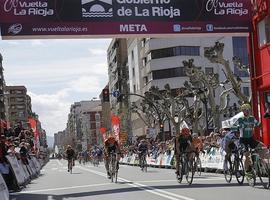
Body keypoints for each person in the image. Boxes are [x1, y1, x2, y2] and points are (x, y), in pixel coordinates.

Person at [234, 103, 265, 173]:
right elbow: (234, 127)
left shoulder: (252, 118)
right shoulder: (240, 119)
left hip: (250, 139)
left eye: (249, 110)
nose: (247, 111)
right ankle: (247, 170)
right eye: (245, 110)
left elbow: (258, 124)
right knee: (247, 155)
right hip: (243, 140)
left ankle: (259, 163)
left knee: (263, 147)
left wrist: (260, 123)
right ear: (243, 111)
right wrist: (239, 127)